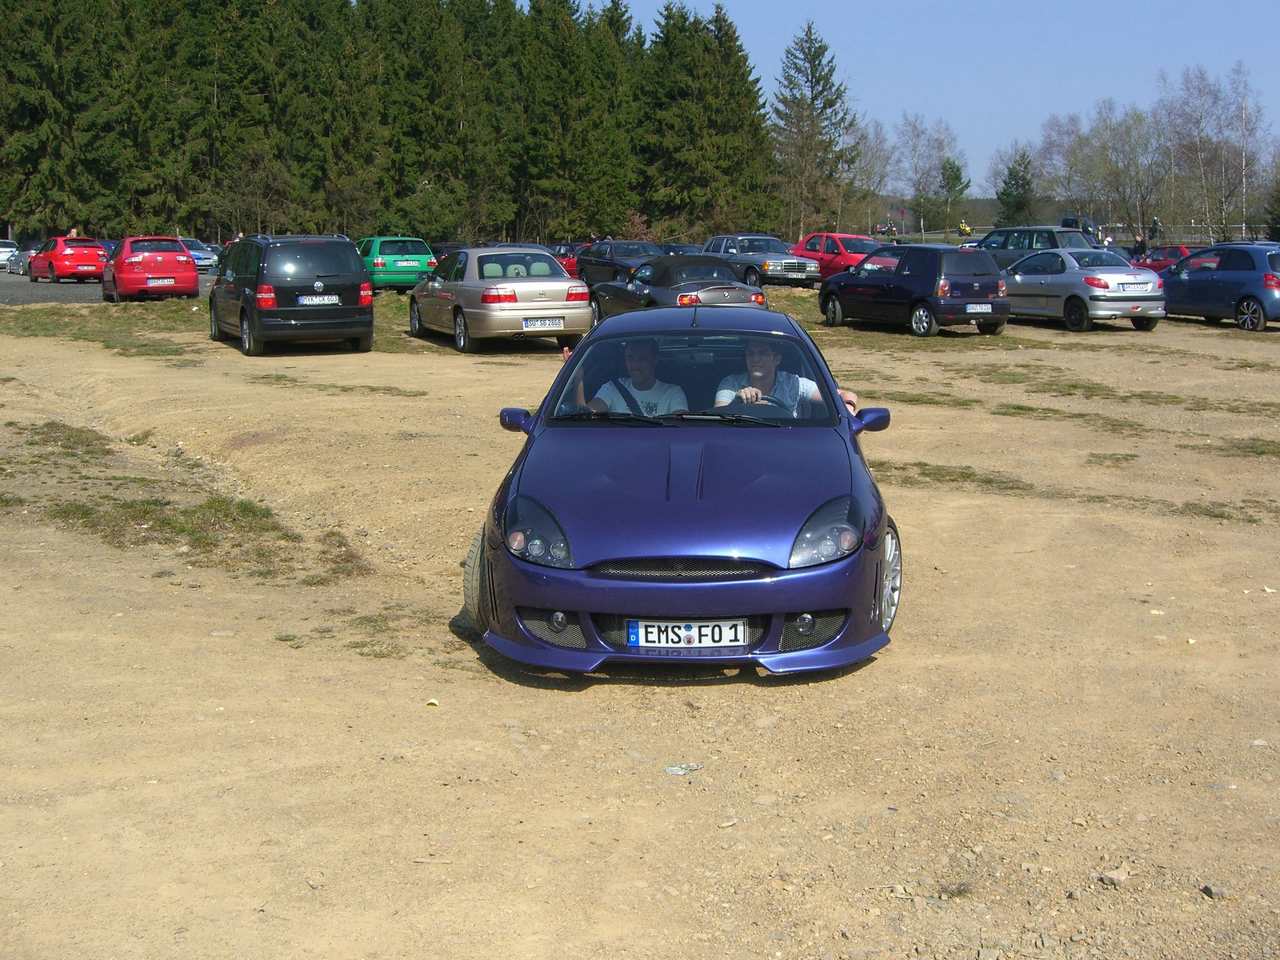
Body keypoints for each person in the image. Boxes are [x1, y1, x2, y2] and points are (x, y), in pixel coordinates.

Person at [715, 338, 858, 418]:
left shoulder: (794, 384)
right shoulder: (731, 384)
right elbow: (717, 418)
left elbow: (845, 395)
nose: (755, 359)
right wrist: (737, 402)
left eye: (762, 353)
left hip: (789, 440)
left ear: (776, 359)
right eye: (750, 354)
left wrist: (848, 407)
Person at [584, 338, 687, 416]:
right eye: (630, 358)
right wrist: (578, 380)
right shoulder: (613, 388)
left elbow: (682, 429)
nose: (635, 365)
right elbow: (586, 415)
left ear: (655, 360)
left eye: (642, 359)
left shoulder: (672, 393)